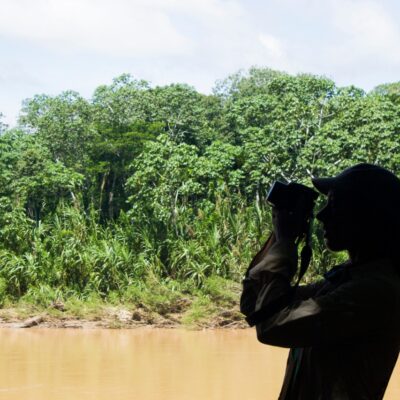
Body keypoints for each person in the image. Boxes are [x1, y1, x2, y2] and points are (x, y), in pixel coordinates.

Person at [240, 163, 400, 400]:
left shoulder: (375, 290)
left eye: (335, 205)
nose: (322, 215)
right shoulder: (348, 276)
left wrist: (285, 244)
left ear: (367, 216)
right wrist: (279, 237)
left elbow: (271, 326)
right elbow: (254, 306)